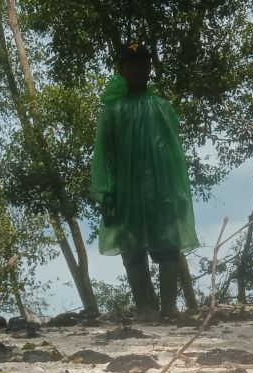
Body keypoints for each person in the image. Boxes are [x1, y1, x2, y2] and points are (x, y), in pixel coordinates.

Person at [91, 41, 199, 322]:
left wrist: (178, 190)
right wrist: (108, 191)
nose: (140, 69)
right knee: (132, 246)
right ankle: (144, 309)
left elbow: (175, 154)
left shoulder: (163, 108)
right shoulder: (112, 111)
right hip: (126, 192)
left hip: (161, 190)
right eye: (133, 65)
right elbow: (105, 155)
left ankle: (169, 309)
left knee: (168, 244)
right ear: (122, 70)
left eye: (144, 64)